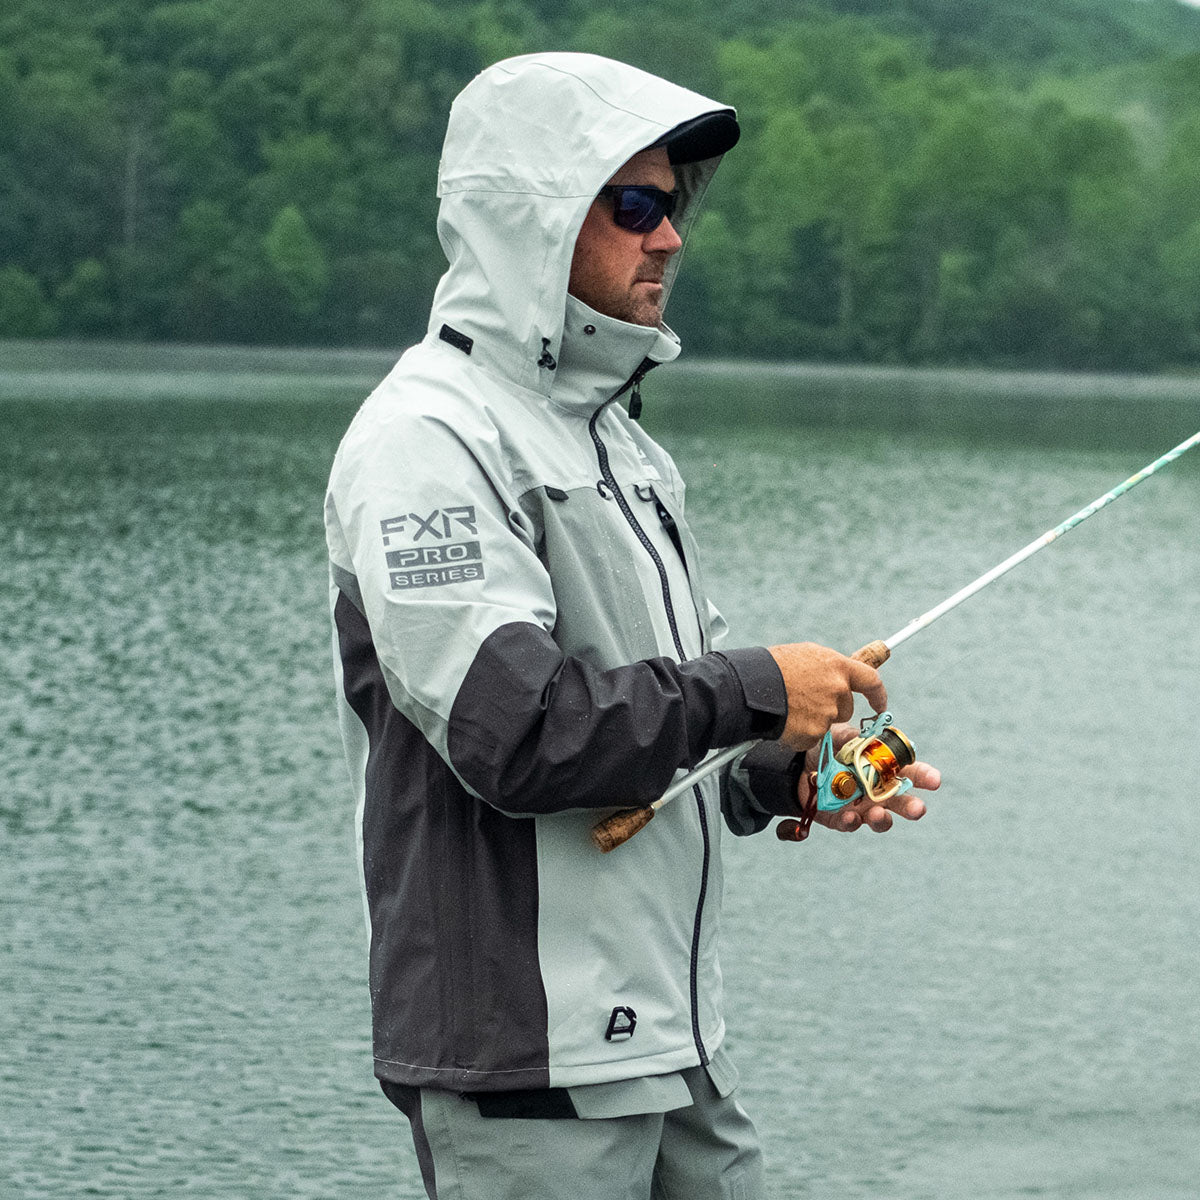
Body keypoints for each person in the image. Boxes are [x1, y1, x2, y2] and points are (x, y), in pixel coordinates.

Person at [325, 51, 940, 1200]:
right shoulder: (428, 442)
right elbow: (520, 734)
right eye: (635, 205)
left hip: (673, 1045)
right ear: (533, 220)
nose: (669, 237)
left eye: (675, 206)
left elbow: (662, 737)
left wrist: (784, 769)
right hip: (528, 1063)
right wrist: (758, 684)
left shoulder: (622, 448)